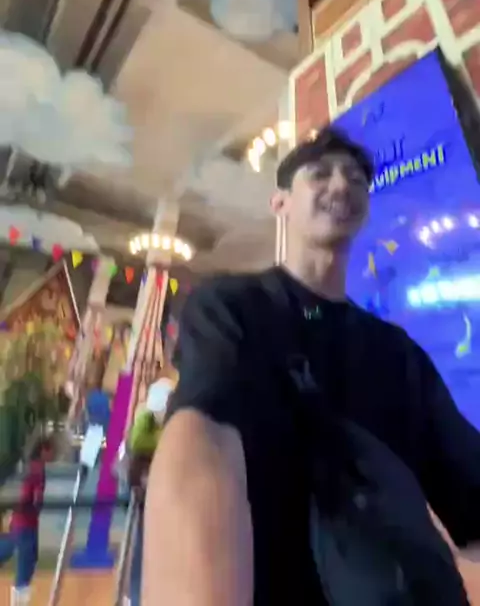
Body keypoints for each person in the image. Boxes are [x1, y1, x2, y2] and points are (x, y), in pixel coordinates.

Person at [143, 126, 480, 605]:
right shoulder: (233, 308)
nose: (342, 185)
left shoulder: (398, 352)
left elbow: (469, 493)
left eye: (357, 179)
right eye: (320, 174)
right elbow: (204, 432)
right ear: (279, 202)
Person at [126, 376, 173, 606]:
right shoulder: (146, 423)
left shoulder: (155, 424)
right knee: (143, 548)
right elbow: (138, 445)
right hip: (147, 496)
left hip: (157, 495)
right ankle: (135, 597)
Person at [0, 437, 54, 604]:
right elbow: (33, 497)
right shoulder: (36, 470)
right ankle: (19, 601)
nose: (52, 455)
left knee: (24, 557)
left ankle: (19, 598)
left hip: (24, 522)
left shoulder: (32, 467)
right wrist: (35, 505)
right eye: (50, 451)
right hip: (25, 523)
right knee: (26, 563)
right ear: (43, 450)